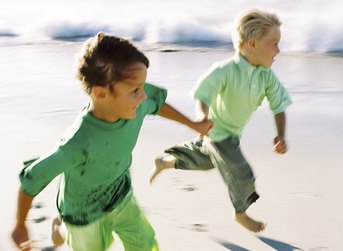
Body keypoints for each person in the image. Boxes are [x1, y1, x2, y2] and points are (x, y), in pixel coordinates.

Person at [11, 32, 213, 251]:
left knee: (145, 244)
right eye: (135, 91)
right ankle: (61, 229)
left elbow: (156, 102)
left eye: (143, 87)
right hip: (82, 215)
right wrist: (19, 225)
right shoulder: (78, 144)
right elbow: (32, 178)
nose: (143, 96)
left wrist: (193, 124)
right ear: (100, 94)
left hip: (120, 193)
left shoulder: (136, 104)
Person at [149, 8, 292, 233]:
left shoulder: (266, 76)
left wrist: (281, 135)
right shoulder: (226, 70)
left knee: (206, 161)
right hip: (217, 130)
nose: (278, 50)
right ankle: (240, 213)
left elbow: (279, 106)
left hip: (233, 134)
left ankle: (166, 162)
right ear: (252, 44)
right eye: (273, 43)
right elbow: (202, 95)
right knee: (242, 173)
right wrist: (202, 116)